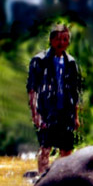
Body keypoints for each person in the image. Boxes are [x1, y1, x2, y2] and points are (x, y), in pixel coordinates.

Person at [27, 23, 83, 174]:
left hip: (66, 110)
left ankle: (57, 178)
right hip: (47, 110)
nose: (61, 43)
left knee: (67, 150)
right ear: (51, 40)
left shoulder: (71, 63)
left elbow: (75, 91)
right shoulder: (39, 61)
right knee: (46, 148)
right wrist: (35, 114)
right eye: (58, 39)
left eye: (65, 40)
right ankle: (41, 181)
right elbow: (32, 89)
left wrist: (76, 116)